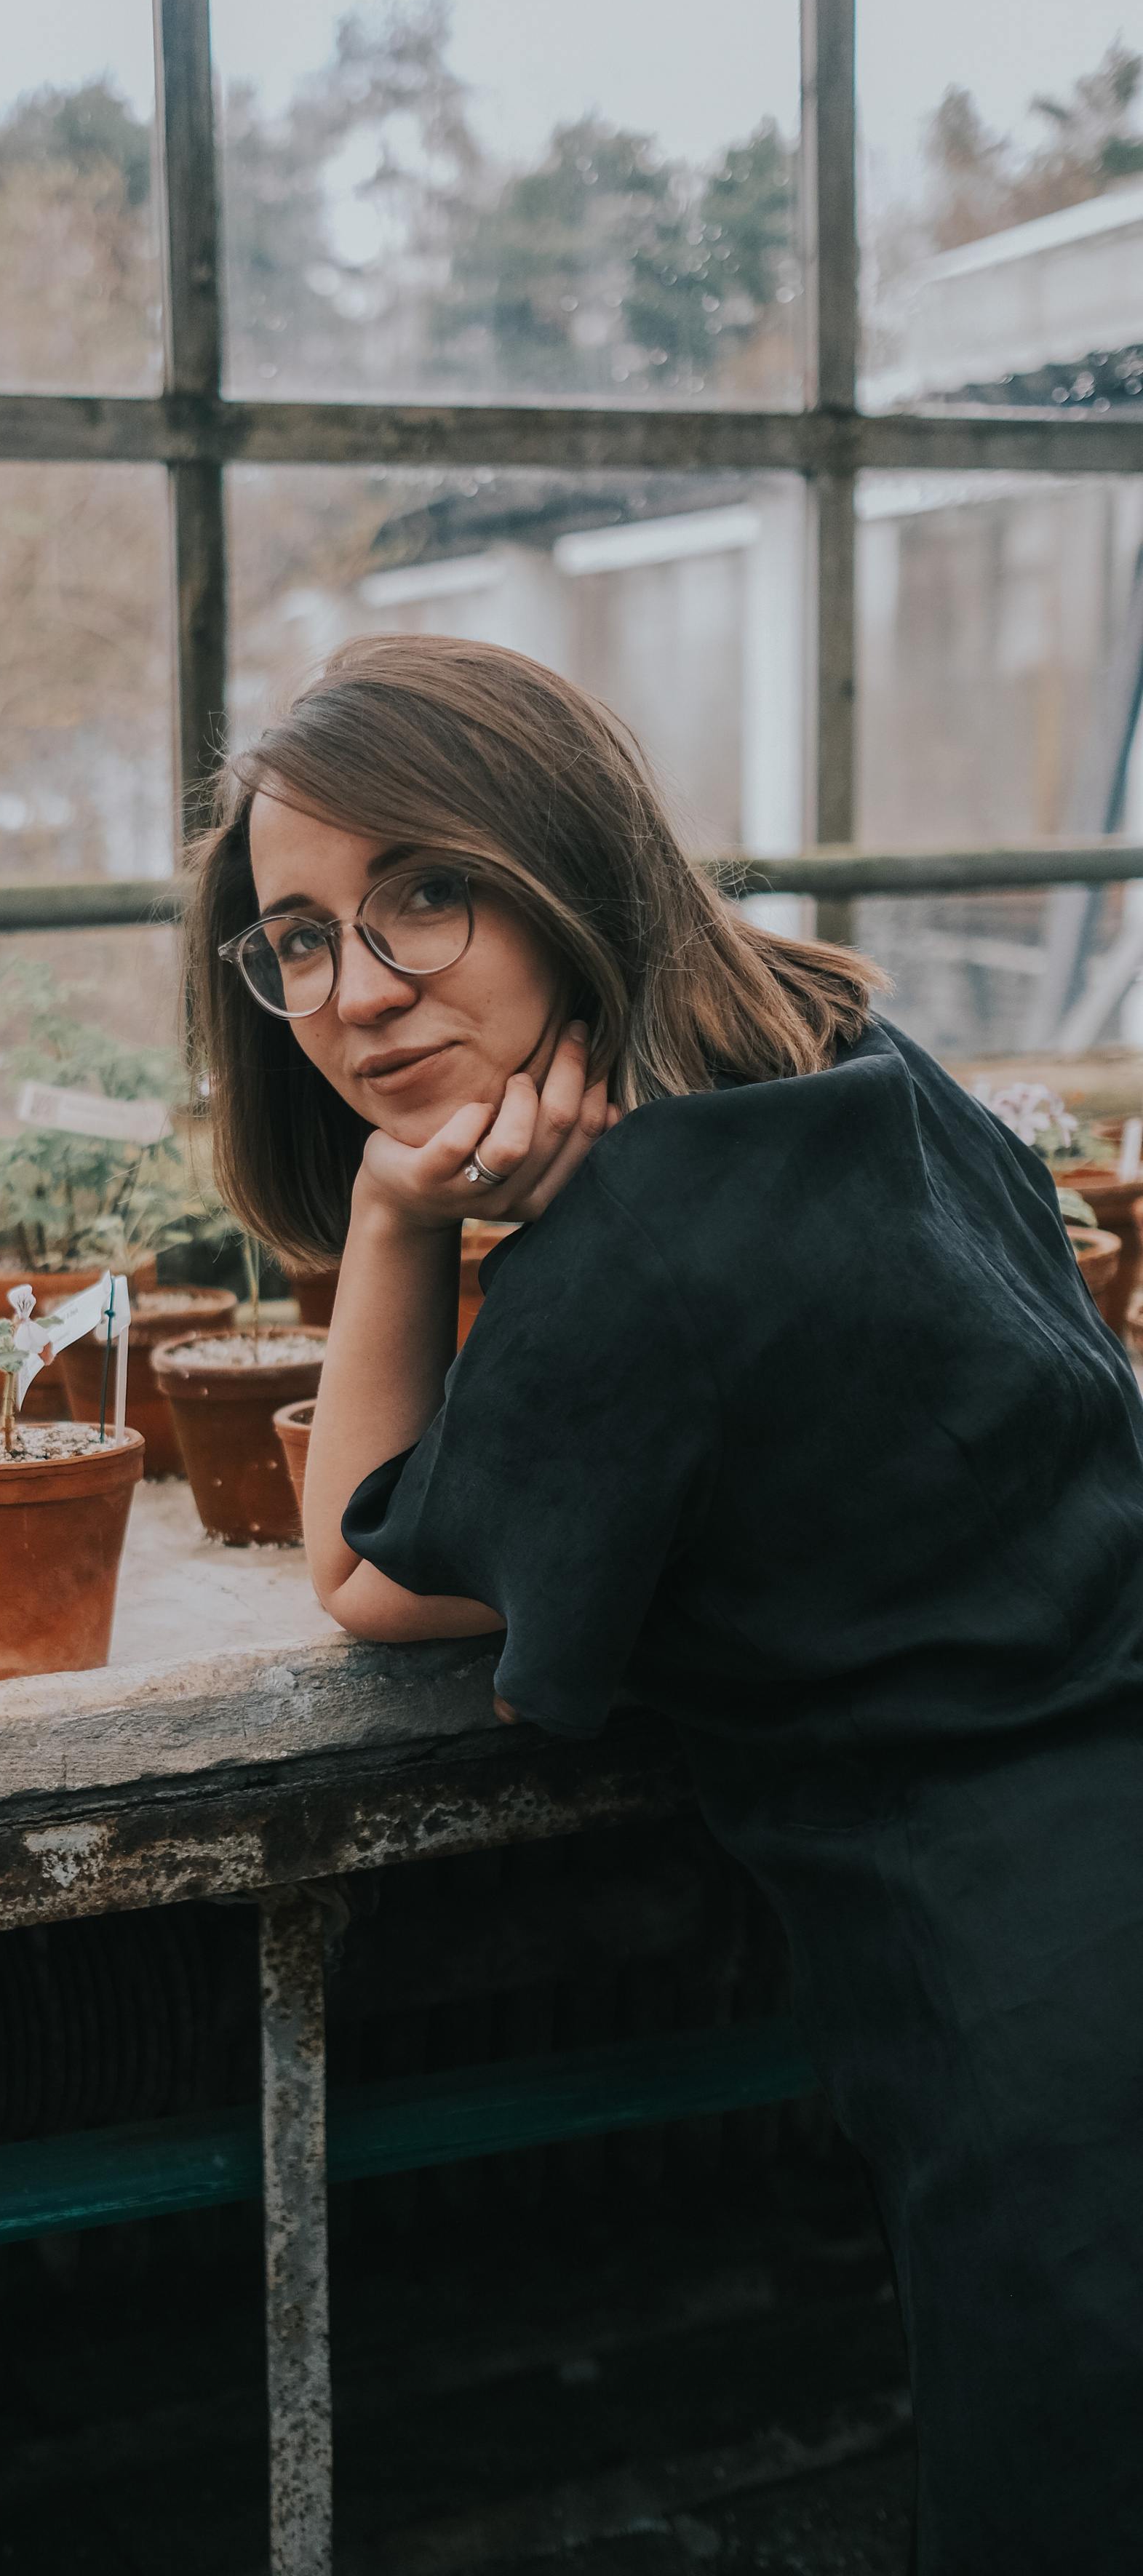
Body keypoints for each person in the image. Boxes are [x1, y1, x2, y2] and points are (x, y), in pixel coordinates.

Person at [184, 631, 1143, 2576]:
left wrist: (395, 1216)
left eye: (421, 895)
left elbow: (368, 1573)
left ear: (557, 862)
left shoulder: (641, 1244)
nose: (356, 993)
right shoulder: (852, 1066)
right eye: (297, 938)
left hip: (1037, 1998)